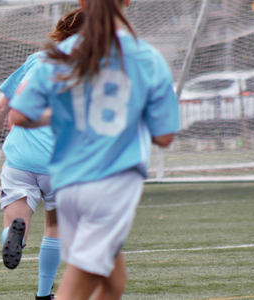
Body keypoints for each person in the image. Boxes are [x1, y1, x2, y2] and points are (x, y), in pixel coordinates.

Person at [9, 0, 180, 299]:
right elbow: (164, 136)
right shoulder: (145, 57)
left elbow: (20, 114)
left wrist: (66, 116)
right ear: (127, 2)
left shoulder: (60, 54)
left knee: (114, 282)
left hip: (68, 183)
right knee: (77, 285)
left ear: (81, 2)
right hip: (110, 184)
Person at [0, 8, 85, 300]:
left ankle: (14, 236)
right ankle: (42, 294)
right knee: (54, 226)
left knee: (16, 224)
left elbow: (1, 108)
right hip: (57, 163)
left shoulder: (36, 60)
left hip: (20, 159)